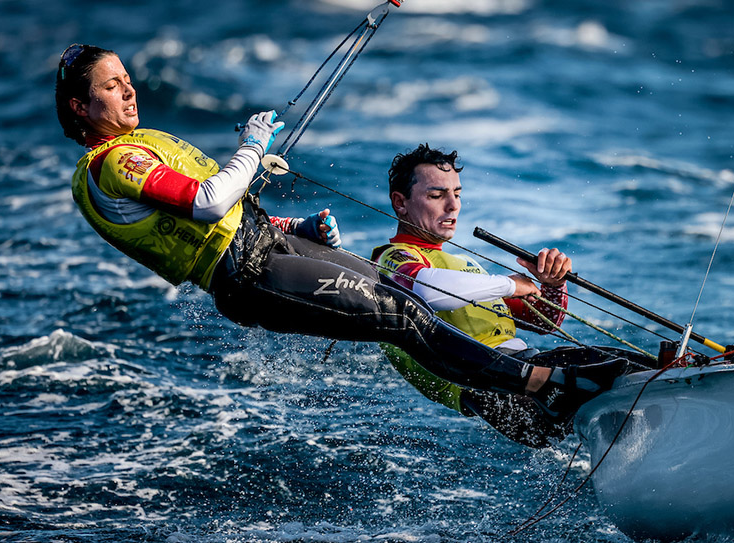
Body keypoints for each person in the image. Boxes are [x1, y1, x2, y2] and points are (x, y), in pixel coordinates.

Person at [55, 44, 627, 425]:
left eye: (128, 80)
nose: (129, 91)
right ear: (82, 106)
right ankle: (537, 382)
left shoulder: (138, 144)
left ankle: (609, 375)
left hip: (267, 245)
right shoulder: (113, 164)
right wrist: (252, 150)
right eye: (112, 86)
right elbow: (207, 205)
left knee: (398, 299)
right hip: (246, 274)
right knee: (404, 314)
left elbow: (230, 216)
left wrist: (296, 226)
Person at [372, 145, 634, 447]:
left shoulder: (465, 266)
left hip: (528, 369)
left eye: (457, 194)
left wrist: (552, 284)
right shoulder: (392, 259)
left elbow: (545, 322)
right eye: (436, 195)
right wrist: (509, 284)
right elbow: (427, 290)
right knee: (622, 372)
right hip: (492, 386)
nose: (453, 206)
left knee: (631, 366)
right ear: (400, 203)